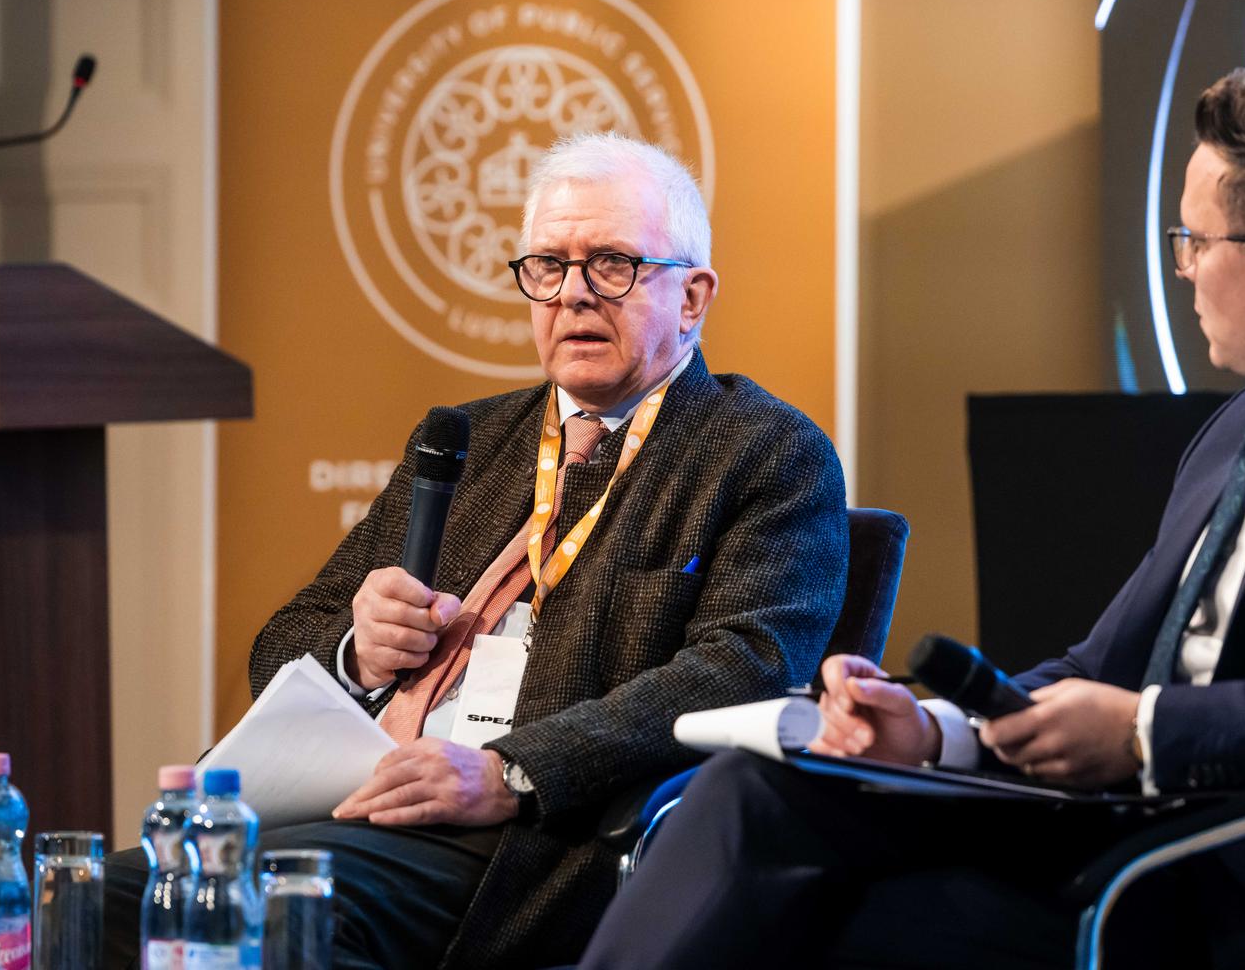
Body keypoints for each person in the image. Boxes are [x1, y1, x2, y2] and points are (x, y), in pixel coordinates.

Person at [578, 69, 1245, 969]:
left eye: (1196, 241)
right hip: (1119, 826)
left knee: (820, 915)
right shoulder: (1244, 425)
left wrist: (1149, 732)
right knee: (757, 791)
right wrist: (936, 731)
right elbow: (1100, 667)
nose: (1184, 270)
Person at [101, 133, 849, 969]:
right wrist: (358, 651)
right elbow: (283, 641)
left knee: (265, 914)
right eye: (548, 266)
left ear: (693, 297)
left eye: (612, 264)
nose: (573, 294)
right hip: (356, 798)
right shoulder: (469, 437)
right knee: (100, 893)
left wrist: (509, 772)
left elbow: (744, 669)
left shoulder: (762, 451)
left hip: (532, 838)